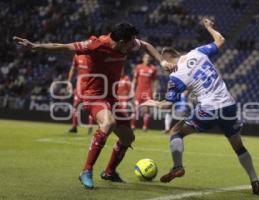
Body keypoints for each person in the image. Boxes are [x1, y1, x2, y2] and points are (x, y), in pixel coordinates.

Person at [14, 22, 175, 189]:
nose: (132, 46)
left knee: (128, 137)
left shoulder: (128, 44)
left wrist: (162, 63)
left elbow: (146, 45)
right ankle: (86, 171)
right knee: (108, 123)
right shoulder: (96, 45)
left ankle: (109, 172)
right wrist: (34, 46)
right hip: (92, 95)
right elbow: (62, 47)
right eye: (130, 43)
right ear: (120, 42)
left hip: (111, 97)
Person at [141, 18, 259, 195]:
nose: (165, 68)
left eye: (164, 64)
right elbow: (220, 40)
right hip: (229, 106)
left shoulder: (176, 76)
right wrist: (209, 28)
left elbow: (168, 105)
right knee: (238, 146)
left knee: (176, 132)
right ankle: (254, 179)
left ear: (168, 59)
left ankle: (177, 166)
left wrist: (153, 102)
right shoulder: (197, 52)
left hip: (209, 108)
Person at [67, 54, 93, 134]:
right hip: (79, 86)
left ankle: (90, 126)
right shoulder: (77, 56)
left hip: (90, 85)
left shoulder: (93, 56)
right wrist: (68, 82)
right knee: (75, 105)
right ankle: (74, 127)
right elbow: (72, 68)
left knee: (90, 107)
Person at [131, 53, 158, 131]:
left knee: (147, 109)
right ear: (143, 59)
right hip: (139, 91)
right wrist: (132, 89)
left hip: (148, 91)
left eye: (149, 58)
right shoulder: (138, 67)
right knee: (135, 109)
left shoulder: (153, 68)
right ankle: (133, 126)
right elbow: (134, 79)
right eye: (146, 57)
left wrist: (155, 91)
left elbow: (155, 81)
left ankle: (145, 127)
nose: (148, 59)